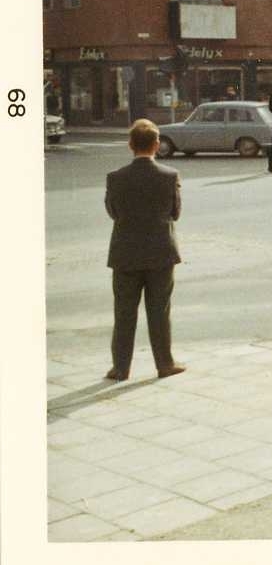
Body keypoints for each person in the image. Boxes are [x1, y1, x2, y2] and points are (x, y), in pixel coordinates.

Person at [104, 119, 186, 381]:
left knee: (124, 311)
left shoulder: (115, 178)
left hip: (125, 254)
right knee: (159, 310)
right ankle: (164, 364)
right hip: (161, 253)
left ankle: (120, 368)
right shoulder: (169, 176)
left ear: (130, 145)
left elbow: (113, 213)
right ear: (156, 145)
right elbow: (175, 213)